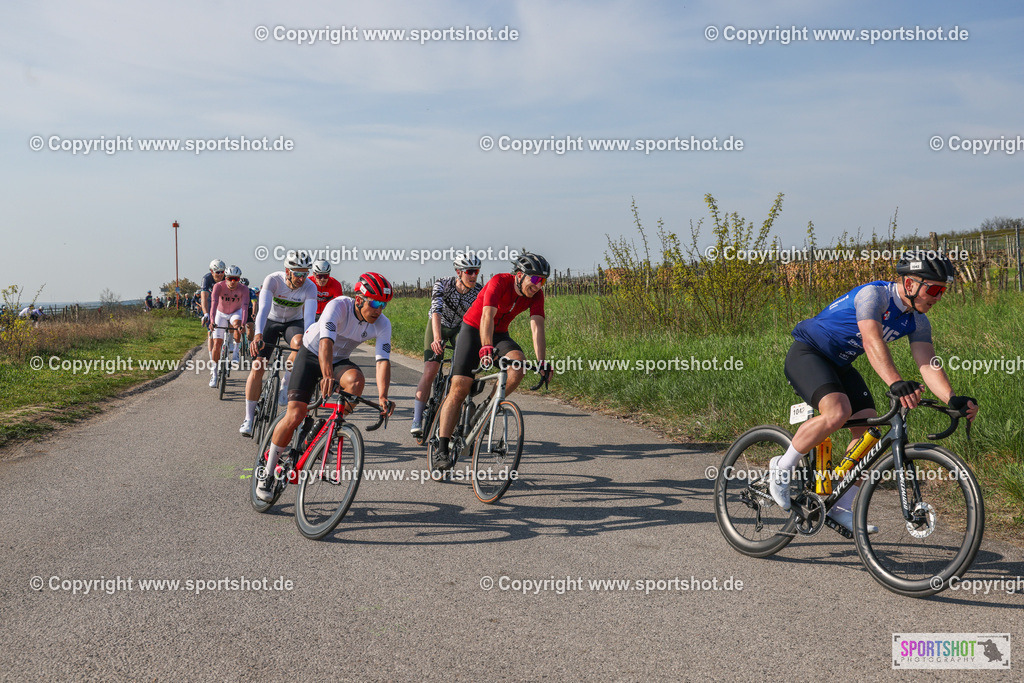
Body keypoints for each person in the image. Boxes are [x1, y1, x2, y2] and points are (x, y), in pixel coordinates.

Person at [770, 251, 979, 533]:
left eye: (943, 290)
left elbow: (927, 362)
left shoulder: (917, 319)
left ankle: (841, 505)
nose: (938, 296)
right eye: (934, 288)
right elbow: (871, 340)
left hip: (841, 363)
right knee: (838, 411)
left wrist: (952, 398)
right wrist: (895, 382)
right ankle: (782, 468)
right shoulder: (874, 295)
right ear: (909, 284)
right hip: (809, 353)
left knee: (867, 432)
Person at [255, 272, 395, 502]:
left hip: (339, 360)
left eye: (384, 304)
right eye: (376, 302)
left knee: (356, 382)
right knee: (296, 414)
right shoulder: (338, 306)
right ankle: (267, 473)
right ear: (359, 299)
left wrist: (383, 396)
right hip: (311, 354)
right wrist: (327, 375)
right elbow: (325, 342)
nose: (380, 309)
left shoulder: (382, 323)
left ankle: (325, 431)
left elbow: (382, 361)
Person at [433, 251, 554, 470]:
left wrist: (542, 362)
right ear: (519, 275)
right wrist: (486, 347)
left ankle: (489, 406)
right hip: (472, 329)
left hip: (499, 335)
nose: (538, 285)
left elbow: (537, 326)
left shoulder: (536, 296)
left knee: (518, 366)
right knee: (460, 388)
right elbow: (486, 315)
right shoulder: (499, 282)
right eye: (535, 279)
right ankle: (442, 448)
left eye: (543, 281)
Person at [240, 253, 318, 435]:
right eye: (297, 273)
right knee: (258, 366)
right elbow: (263, 309)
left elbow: (309, 320)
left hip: (294, 323)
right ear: (287, 271)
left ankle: (286, 381)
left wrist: (309, 343)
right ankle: (248, 418)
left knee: (300, 343)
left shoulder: (310, 287)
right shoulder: (273, 280)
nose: (301, 278)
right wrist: (258, 334)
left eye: (305, 274)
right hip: (271, 321)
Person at [410, 253, 483, 438]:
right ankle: (417, 418)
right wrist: (436, 338)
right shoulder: (443, 284)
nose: (474, 276)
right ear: (459, 272)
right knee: (431, 369)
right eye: (470, 272)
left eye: (477, 271)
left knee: (463, 371)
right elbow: (436, 311)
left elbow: (480, 320)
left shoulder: (478, 292)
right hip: (439, 326)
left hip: (460, 328)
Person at [207, 265, 249, 387]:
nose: (232, 281)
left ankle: (236, 351)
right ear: (225, 277)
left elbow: (245, 307)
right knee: (217, 343)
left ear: (239, 279)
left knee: (237, 325)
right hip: (221, 313)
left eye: (236, 279)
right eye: (230, 278)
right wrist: (211, 321)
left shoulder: (244, 289)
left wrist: (243, 324)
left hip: (236, 312)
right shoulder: (218, 286)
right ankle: (214, 374)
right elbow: (214, 304)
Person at [201, 259, 227, 363]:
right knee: (211, 333)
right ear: (212, 271)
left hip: (224, 303)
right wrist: (206, 313)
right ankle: (212, 360)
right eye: (217, 272)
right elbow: (203, 298)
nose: (220, 275)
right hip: (211, 303)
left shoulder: (227, 278)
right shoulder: (206, 279)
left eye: (222, 272)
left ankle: (229, 343)